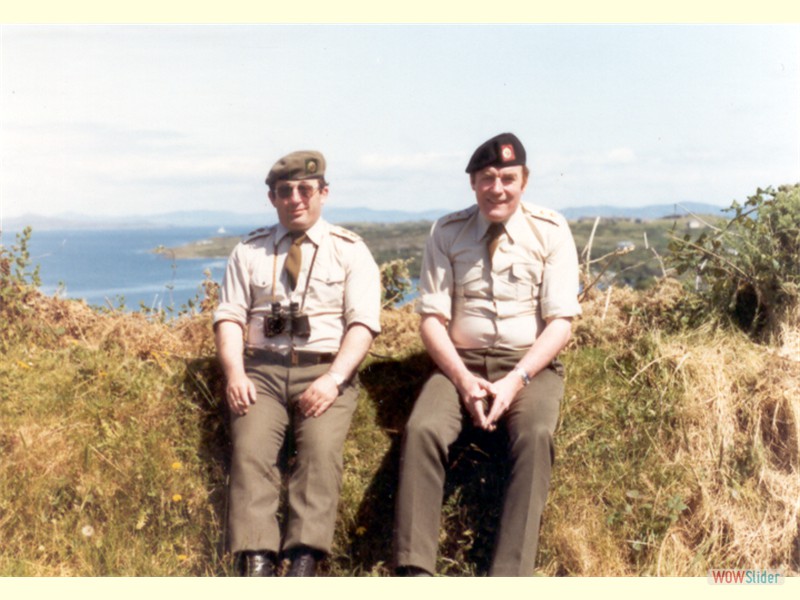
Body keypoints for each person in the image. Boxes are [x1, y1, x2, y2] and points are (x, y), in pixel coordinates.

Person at [393, 133, 582, 577]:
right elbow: (431, 320)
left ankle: (509, 575)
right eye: (486, 178)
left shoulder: (550, 231)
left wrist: (516, 379)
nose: (497, 188)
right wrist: (461, 379)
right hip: (461, 364)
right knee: (421, 430)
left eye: (507, 178)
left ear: (525, 180)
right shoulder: (447, 231)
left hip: (528, 367)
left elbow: (561, 323)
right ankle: (414, 570)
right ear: (473, 183)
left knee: (535, 436)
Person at [213, 150, 381, 576]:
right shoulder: (248, 251)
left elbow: (363, 325)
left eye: (305, 189)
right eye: (284, 191)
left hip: (324, 370)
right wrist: (235, 373)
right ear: (272, 198)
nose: (295, 199)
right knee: (251, 451)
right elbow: (229, 316)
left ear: (323, 193)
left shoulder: (350, 250)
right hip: (262, 373)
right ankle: (257, 558)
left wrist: (334, 380)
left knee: (320, 451)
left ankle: (305, 556)